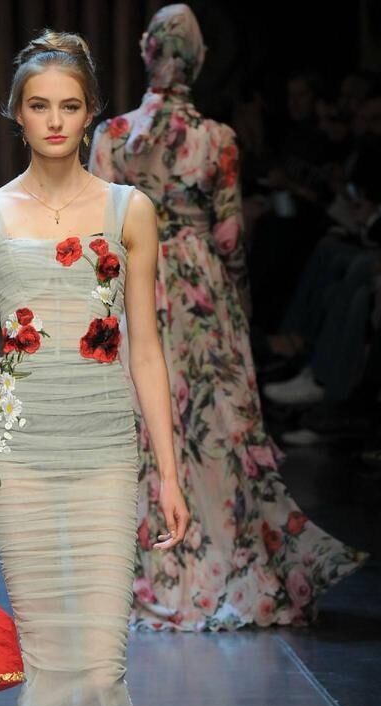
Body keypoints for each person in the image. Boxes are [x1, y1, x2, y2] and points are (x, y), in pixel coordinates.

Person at [0, 30, 189, 706]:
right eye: (39, 105)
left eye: (71, 106)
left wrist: (169, 471)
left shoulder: (130, 211)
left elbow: (147, 350)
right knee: (52, 663)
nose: (55, 120)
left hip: (106, 450)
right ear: (16, 114)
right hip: (16, 456)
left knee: (104, 660)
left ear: (91, 115)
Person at [89, 4, 366, 632]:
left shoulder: (112, 136)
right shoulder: (218, 140)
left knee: (142, 422)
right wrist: (236, 312)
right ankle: (219, 558)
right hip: (200, 295)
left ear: (147, 52)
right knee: (210, 424)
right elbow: (231, 239)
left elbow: (98, 236)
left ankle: (141, 566)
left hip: (136, 285)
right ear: (199, 62)